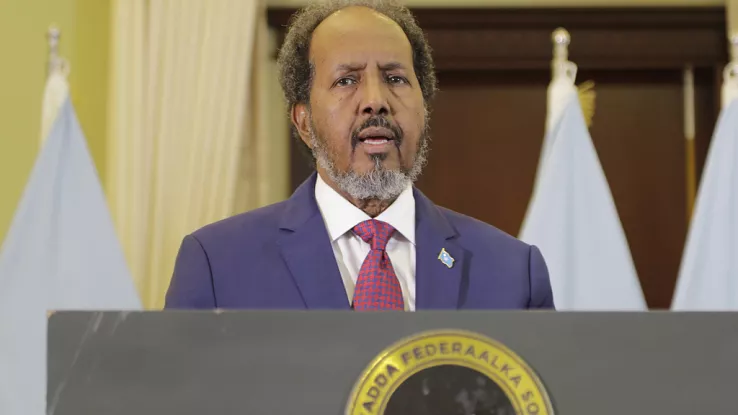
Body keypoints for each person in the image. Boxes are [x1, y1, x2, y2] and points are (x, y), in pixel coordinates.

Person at [164, 0, 554, 310]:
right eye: (346, 80)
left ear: (424, 109)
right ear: (303, 122)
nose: (375, 100)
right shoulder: (217, 264)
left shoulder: (513, 271)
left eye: (395, 78)